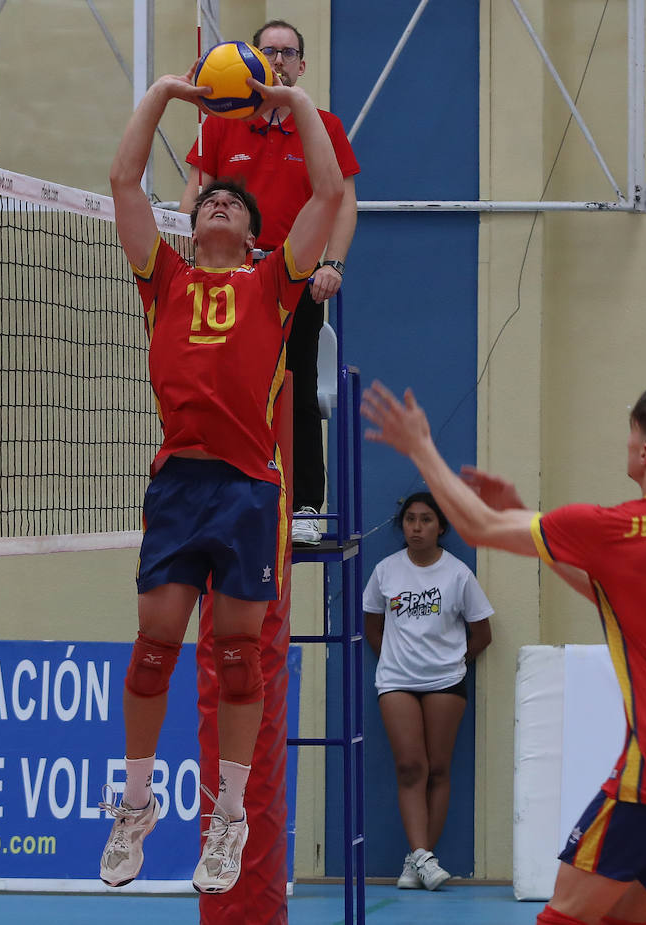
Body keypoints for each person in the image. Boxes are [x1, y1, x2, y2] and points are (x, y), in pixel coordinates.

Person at [360, 380, 646, 925]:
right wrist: (529, 518)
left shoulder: (613, 528)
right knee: (625, 919)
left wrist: (419, 447)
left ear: (644, 453)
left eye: (631, 433)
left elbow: (477, 526)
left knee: (564, 917)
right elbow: (611, 592)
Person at [105, 61, 342, 893]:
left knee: (240, 660)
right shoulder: (163, 279)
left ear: (250, 232)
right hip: (178, 483)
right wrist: (167, 93)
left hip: (246, 488)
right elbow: (124, 178)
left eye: (233, 204)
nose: (217, 205)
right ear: (191, 220)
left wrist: (297, 102)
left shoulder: (273, 284)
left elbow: (326, 193)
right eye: (208, 199)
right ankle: (135, 806)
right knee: (150, 653)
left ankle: (229, 815)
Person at [179, 18, 361, 545]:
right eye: (268, 52)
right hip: (232, 283)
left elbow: (342, 202)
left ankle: (303, 503)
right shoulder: (218, 124)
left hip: (294, 281)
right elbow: (196, 198)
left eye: (288, 53)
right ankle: (223, 494)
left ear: (302, 66)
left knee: (297, 387)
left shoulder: (323, 126)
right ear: (253, 61)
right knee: (222, 389)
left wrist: (334, 264)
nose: (278, 61)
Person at [363, 491, 493, 891]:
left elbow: (482, 633)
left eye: (426, 520)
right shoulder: (386, 571)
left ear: (441, 527)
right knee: (410, 767)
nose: (417, 527)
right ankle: (423, 857)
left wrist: (454, 662)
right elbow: (372, 625)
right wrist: (395, 660)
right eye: (410, 520)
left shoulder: (458, 574)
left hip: (446, 683)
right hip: (397, 682)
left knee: (438, 769)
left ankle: (418, 859)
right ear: (402, 526)